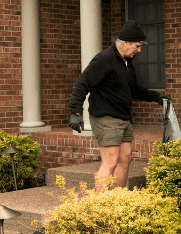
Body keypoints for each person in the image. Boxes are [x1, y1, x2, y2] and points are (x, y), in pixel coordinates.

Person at [68, 20, 170, 192]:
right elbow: (82, 84)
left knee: (126, 158)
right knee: (111, 161)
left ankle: (118, 199)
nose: (139, 50)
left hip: (123, 117)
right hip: (106, 117)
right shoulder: (104, 60)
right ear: (125, 42)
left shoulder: (127, 63)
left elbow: (133, 89)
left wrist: (156, 97)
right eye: (137, 46)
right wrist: (76, 112)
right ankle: (101, 206)